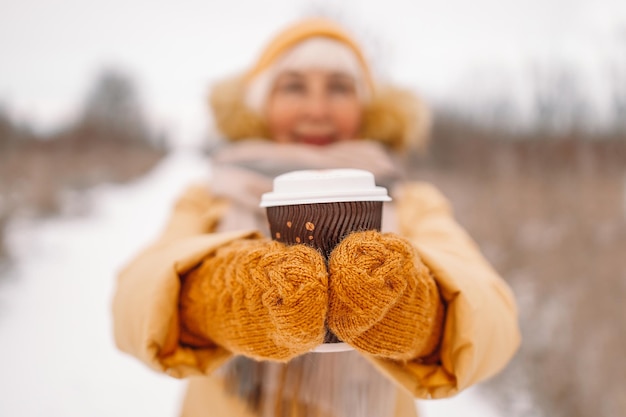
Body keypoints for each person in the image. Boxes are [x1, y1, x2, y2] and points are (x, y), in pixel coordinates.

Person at [112, 17, 521, 417]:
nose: (317, 108)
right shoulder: (207, 198)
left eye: (340, 88)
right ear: (261, 104)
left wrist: (413, 310)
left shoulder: (411, 201)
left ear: (366, 108)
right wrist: (226, 300)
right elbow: (135, 303)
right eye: (293, 87)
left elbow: (492, 321)